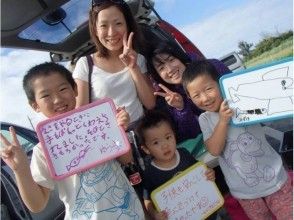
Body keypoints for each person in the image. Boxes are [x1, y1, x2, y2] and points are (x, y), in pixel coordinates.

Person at [0, 62, 145, 219]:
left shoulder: (98, 123)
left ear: (75, 89)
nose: (57, 100)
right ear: (35, 105)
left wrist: (119, 131)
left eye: (63, 89)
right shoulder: (42, 150)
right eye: (46, 96)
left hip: (130, 213)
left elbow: (126, 160)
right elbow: (37, 204)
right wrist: (20, 170)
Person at [182, 60, 293, 220]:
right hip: (245, 193)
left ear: (220, 82)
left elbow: (271, 100)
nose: (205, 98)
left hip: (275, 180)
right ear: (189, 97)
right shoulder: (205, 120)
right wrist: (222, 121)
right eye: (196, 95)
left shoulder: (241, 102)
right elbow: (214, 149)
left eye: (208, 89)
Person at [73, 0, 155, 128]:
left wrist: (133, 67)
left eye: (118, 23)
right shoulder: (85, 64)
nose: (111, 33)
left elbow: (150, 103)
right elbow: (80, 115)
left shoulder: (139, 59)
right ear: (95, 30)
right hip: (109, 138)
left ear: (128, 26)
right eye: (103, 26)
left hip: (142, 132)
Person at [136, 110, 216, 220]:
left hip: (205, 210)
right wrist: (154, 214)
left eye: (168, 137)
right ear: (146, 149)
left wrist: (209, 173)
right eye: (156, 143)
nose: (165, 146)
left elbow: (201, 170)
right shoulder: (150, 173)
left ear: (174, 135)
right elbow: (147, 199)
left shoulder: (183, 154)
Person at [146, 42, 231, 143]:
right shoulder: (170, 98)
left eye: (171, 60)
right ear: (158, 76)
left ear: (180, 57)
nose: (170, 69)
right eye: (161, 68)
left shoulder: (213, 66)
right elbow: (192, 134)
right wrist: (181, 108)